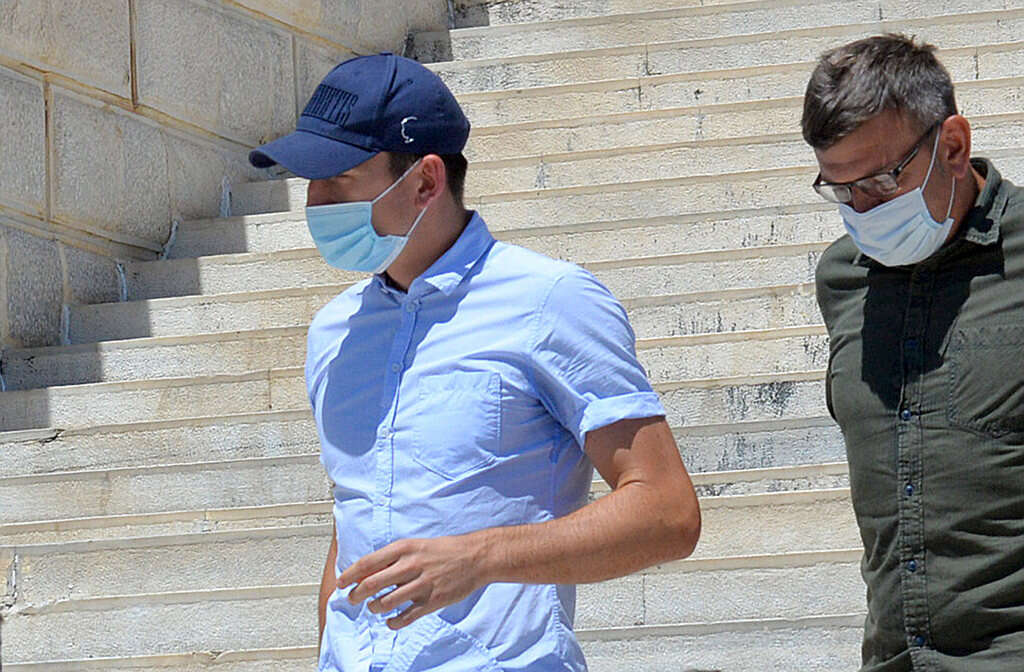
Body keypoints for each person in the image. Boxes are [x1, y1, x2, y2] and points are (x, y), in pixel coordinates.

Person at [249, 52, 701, 672]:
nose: (317, 203)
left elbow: (667, 512)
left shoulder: (550, 301)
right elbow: (354, 522)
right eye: (311, 182)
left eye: (340, 179)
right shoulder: (334, 331)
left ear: (426, 181)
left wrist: (481, 557)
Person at [804, 34, 1024, 671]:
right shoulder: (842, 280)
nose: (862, 211)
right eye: (840, 190)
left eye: (878, 182)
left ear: (952, 146)